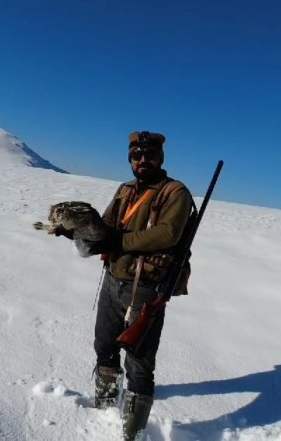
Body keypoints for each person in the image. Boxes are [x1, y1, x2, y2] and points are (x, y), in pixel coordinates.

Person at [70, 131, 193, 440]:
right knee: (104, 345)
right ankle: (105, 406)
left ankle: (133, 432)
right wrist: (76, 231)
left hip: (145, 287)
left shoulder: (174, 192)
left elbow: (168, 234)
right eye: (136, 156)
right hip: (113, 279)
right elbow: (107, 226)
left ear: (160, 158)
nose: (142, 160)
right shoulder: (125, 190)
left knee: (139, 362)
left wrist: (119, 241)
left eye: (149, 155)